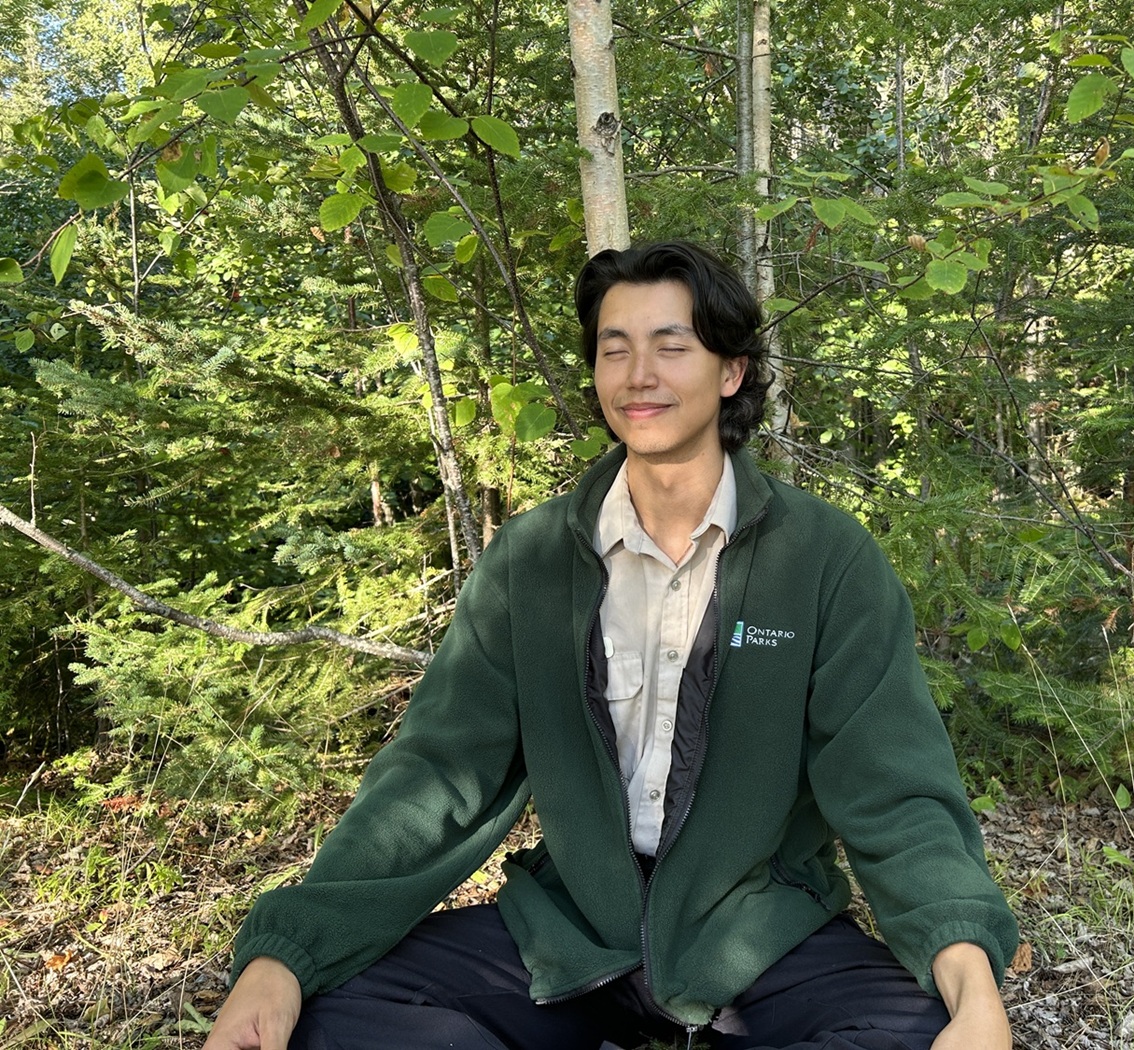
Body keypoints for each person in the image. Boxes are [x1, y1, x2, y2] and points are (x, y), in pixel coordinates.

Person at [204, 241, 1018, 1050]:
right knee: (336, 1019)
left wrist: (970, 979)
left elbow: (896, 789)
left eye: (673, 346)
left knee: (912, 1034)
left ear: (731, 371)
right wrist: (286, 954)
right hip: (569, 931)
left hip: (760, 934)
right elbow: (436, 775)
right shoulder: (531, 561)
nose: (639, 374)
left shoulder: (825, 559)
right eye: (614, 348)